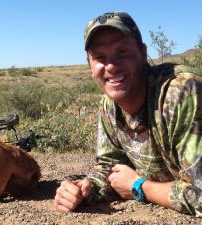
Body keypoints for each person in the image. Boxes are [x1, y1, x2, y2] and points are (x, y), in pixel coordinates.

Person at [54, 11, 202, 216]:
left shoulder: (182, 91)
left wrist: (140, 187)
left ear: (142, 52)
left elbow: (200, 193)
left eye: (122, 52)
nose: (112, 67)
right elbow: (109, 166)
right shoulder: (109, 104)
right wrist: (83, 189)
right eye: (100, 57)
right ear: (90, 65)